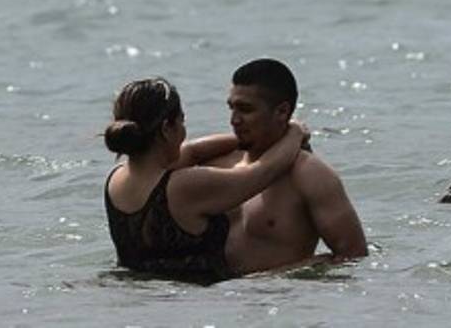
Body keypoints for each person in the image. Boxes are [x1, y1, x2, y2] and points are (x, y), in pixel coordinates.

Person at [103, 77, 308, 282]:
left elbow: (193, 151)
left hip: (137, 295)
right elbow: (264, 171)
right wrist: (294, 133)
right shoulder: (185, 186)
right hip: (194, 304)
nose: (184, 132)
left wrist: (250, 139)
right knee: (323, 261)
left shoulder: (115, 179)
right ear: (167, 129)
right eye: (182, 121)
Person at [206, 59, 368, 274]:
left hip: (275, 300)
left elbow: (353, 257)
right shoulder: (217, 163)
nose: (234, 120)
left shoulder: (310, 174)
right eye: (231, 108)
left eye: (245, 110)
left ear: (282, 112)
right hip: (212, 300)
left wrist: (271, 279)